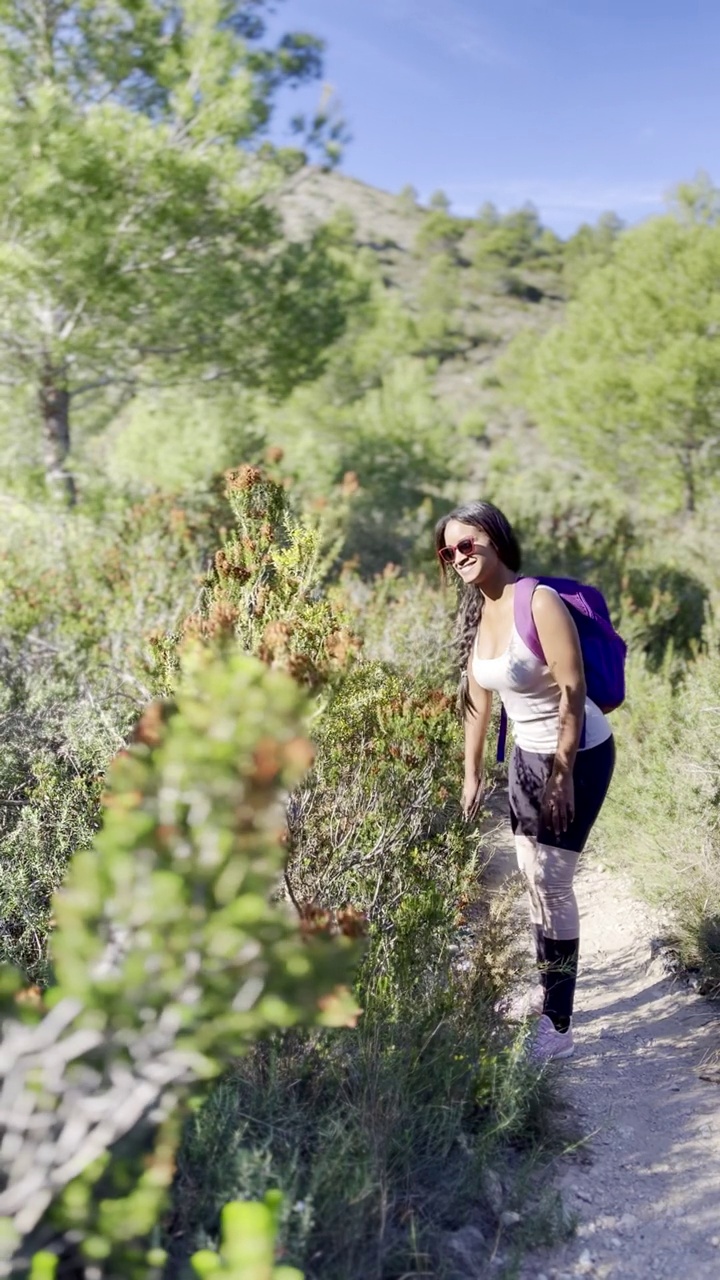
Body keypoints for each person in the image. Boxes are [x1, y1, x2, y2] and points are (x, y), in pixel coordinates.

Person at [435, 500, 616, 1062]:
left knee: (553, 883)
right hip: (525, 757)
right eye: (449, 551)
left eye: (468, 543)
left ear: (495, 538)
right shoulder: (477, 611)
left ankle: (558, 1026)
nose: (459, 556)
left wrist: (562, 773)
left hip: (578, 752)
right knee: (531, 877)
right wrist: (470, 774)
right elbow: (476, 703)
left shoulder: (537, 601)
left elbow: (571, 688)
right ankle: (546, 996)